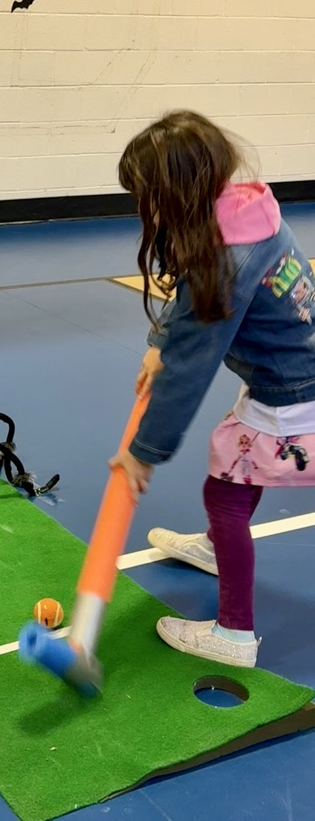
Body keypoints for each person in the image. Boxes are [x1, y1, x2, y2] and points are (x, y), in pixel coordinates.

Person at [110, 110, 315, 668]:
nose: (144, 209)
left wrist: (141, 453)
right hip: (295, 374)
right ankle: (216, 550)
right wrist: (158, 342)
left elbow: (190, 370)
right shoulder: (246, 208)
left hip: (295, 395)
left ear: (174, 193)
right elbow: (188, 303)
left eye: (147, 196)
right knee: (238, 469)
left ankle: (234, 635)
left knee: (225, 489)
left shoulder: (225, 261)